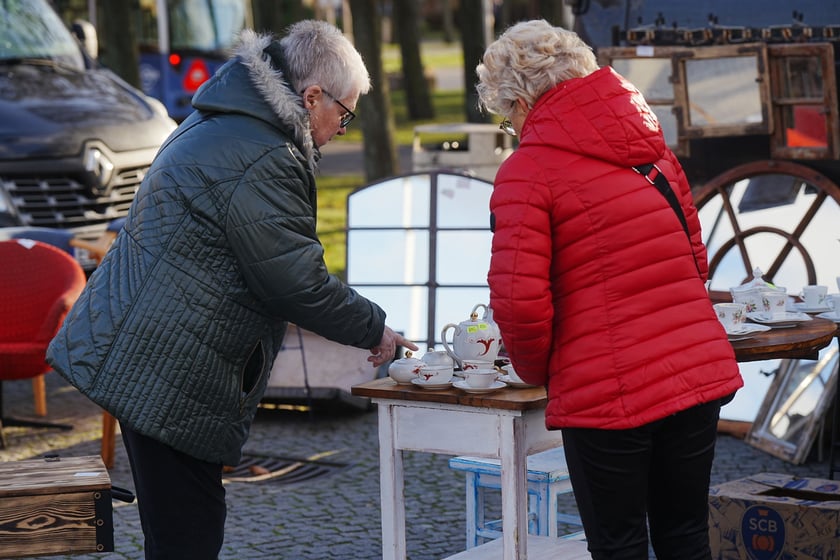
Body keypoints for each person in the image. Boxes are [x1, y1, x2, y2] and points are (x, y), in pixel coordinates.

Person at [47, 20, 416, 559]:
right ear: (313, 96)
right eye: (345, 112)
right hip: (168, 365)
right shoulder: (266, 153)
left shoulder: (228, 116)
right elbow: (295, 280)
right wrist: (374, 327)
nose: (344, 128)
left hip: (148, 351)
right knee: (188, 535)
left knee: (177, 529)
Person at [475, 20, 743, 560]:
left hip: (605, 388)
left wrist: (540, 370)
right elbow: (696, 261)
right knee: (686, 536)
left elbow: (518, 302)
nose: (513, 127)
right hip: (695, 370)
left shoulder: (528, 170)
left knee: (618, 546)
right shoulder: (652, 147)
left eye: (507, 116)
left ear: (522, 101)